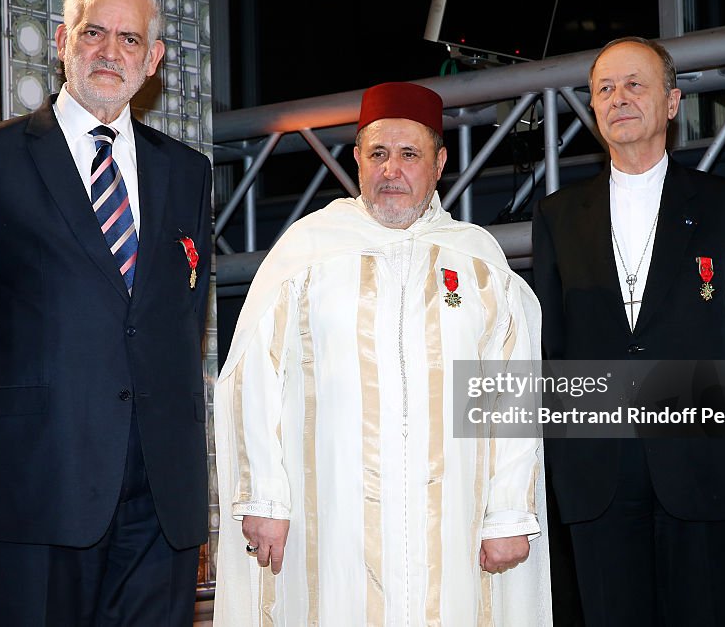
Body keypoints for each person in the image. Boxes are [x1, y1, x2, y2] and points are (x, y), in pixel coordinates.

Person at [0, 0, 211, 626]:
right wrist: (5, 438)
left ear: (153, 59)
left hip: (160, 502)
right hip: (31, 490)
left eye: (130, 38)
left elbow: (180, 319)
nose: (111, 51)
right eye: (93, 32)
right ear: (61, 42)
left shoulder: (187, 172)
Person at [213, 82, 552, 625]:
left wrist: (508, 511)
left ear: (439, 163)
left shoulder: (479, 263)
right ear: (357, 160)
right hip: (331, 523)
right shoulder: (307, 252)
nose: (392, 169)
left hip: (450, 526)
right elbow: (255, 378)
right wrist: (267, 501)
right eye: (378, 154)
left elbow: (511, 394)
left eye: (409, 154)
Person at [532, 37, 725, 626]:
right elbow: (552, 350)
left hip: (700, 467)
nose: (619, 98)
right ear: (593, 110)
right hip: (597, 477)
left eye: (635, 84)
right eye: (605, 89)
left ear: (671, 102)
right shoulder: (558, 216)